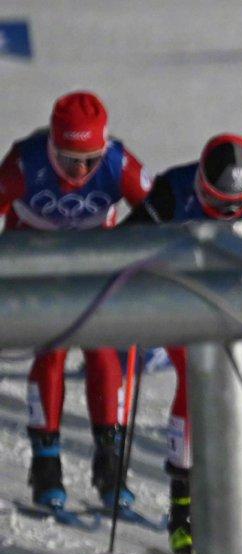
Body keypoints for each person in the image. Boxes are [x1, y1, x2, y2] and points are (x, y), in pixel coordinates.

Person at [123, 133, 242, 554]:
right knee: (198, 384)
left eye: (237, 205)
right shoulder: (173, 190)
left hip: (236, 308)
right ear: (201, 184)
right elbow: (127, 243)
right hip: (179, 303)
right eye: (217, 202)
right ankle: (182, 511)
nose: (228, 212)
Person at [0, 91, 150, 513]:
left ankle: (110, 461)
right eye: (69, 161)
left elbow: (160, 209)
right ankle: (46, 464)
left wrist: (142, 249)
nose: (81, 171)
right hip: (36, 265)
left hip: (91, 264)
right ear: (52, 147)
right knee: (52, 352)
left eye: (91, 160)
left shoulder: (120, 164)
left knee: (103, 352)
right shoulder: (25, 162)